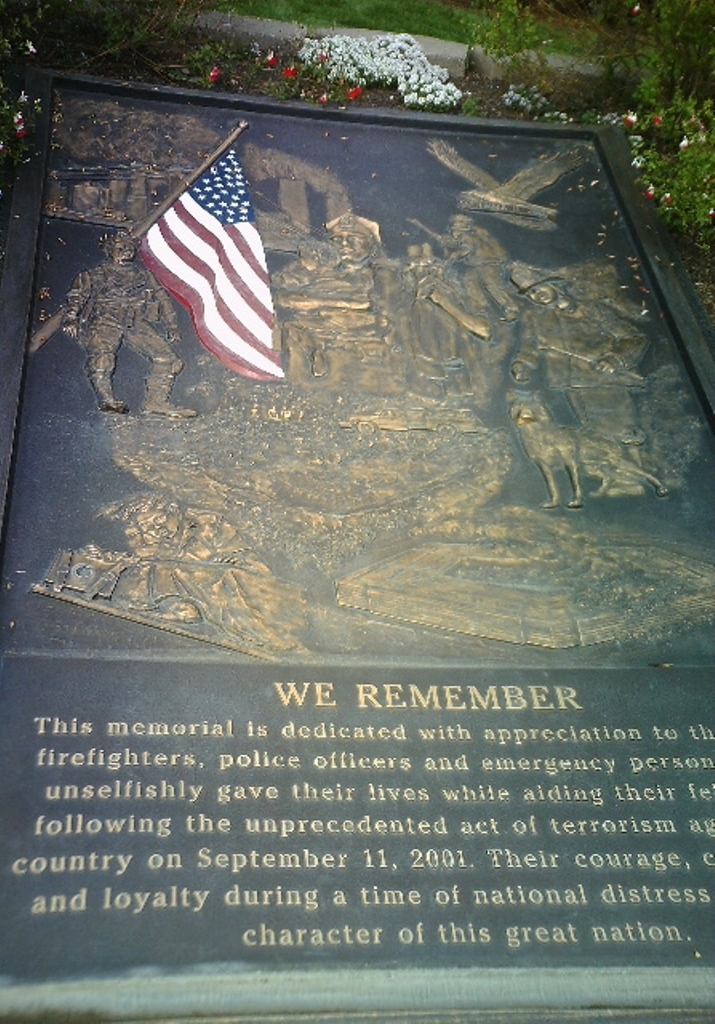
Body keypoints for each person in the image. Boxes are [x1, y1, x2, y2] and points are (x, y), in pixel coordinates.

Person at [62, 231, 195, 417]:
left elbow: (162, 298)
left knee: (168, 359)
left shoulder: (144, 276)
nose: (127, 250)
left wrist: (171, 326)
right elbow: (77, 296)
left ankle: (156, 402)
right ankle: (107, 401)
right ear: (110, 250)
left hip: (135, 322)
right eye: (121, 247)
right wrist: (71, 317)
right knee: (102, 358)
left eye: (130, 247)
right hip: (105, 320)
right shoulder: (93, 275)